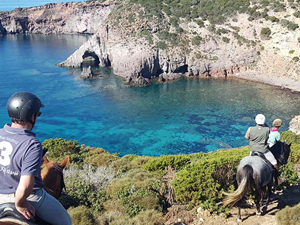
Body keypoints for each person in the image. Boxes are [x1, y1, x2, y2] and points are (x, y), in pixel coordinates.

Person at [0, 92, 72, 225]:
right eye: (37, 114)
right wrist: (20, 204)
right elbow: (26, 185)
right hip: (30, 197)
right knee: (66, 221)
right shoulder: (31, 144)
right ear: (32, 116)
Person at [245, 114, 284, 185]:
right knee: (274, 162)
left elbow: (247, 137)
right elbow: (267, 137)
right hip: (264, 151)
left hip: (253, 150)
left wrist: (254, 140)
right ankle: (278, 179)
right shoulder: (267, 129)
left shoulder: (250, 129)